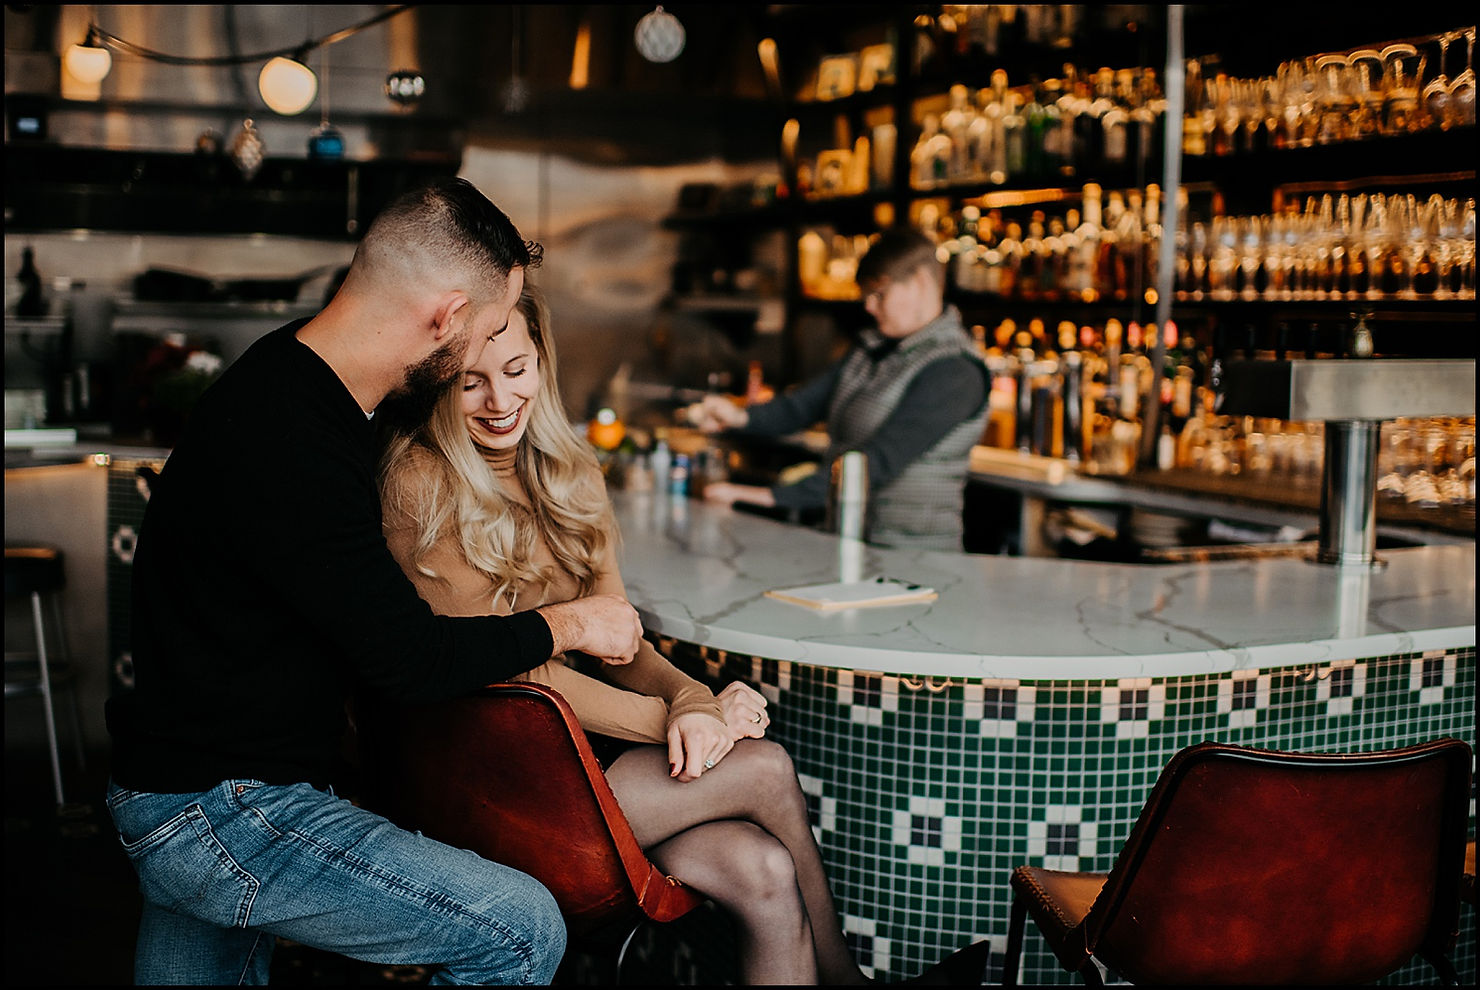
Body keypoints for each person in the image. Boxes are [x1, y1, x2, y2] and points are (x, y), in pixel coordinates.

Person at [104, 178, 647, 986]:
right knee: (519, 930)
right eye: (490, 330)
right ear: (446, 317)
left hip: (184, 782)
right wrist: (571, 624)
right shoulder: (293, 443)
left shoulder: (305, 381)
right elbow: (410, 661)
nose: (490, 360)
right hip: (225, 810)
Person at [377, 284, 992, 986]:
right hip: (494, 787)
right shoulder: (420, 479)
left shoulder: (569, 473)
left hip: (585, 761)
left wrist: (694, 700)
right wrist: (681, 721)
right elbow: (510, 672)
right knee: (761, 767)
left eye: (516, 371)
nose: (499, 401)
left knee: (761, 867)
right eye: (470, 383)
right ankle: (848, 982)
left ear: (542, 363)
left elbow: (621, 640)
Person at [690, 227, 991, 553]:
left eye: (879, 294)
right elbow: (801, 406)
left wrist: (768, 497)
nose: (869, 307)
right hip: (848, 540)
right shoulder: (870, 349)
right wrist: (738, 417)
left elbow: (877, 461)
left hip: (912, 556)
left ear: (919, 282)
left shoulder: (955, 369)